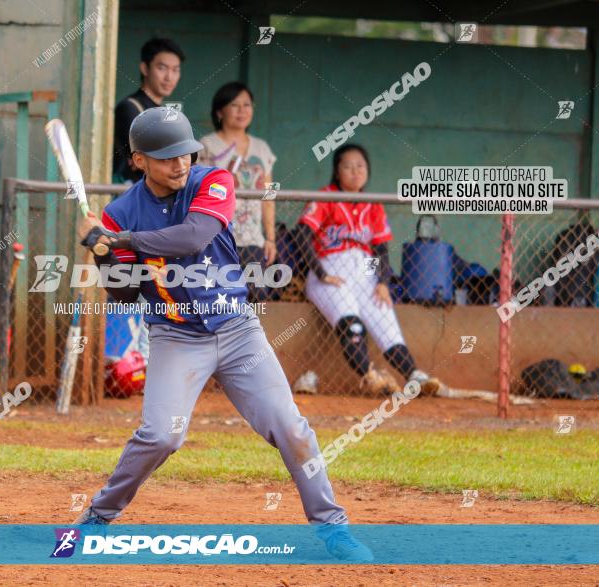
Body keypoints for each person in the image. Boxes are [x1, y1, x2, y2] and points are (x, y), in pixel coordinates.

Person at [73, 107, 373, 562]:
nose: (180, 164)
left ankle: (334, 530)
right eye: (167, 157)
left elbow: (194, 236)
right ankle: (98, 515)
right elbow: (125, 294)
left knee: (290, 427)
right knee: (160, 436)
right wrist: (101, 252)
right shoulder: (119, 214)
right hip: (175, 337)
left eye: (186, 154)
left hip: (238, 331)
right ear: (138, 160)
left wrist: (120, 240)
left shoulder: (212, 181)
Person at [292, 144, 445, 396]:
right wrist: (321, 273)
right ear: (337, 171)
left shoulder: (373, 204)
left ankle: (413, 375)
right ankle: (370, 377)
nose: (355, 171)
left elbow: (381, 250)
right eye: (348, 166)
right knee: (351, 324)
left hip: (365, 268)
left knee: (384, 320)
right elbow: (302, 235)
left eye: (360, 166)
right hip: (331, 267)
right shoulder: (326, 196)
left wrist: (383, 282)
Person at [197, 82, 277, 301]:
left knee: (255, 296)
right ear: (219, 111)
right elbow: (200, 191)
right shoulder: (207, 145)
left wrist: (270, 238)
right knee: (218, 295)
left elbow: (269, 195)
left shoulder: (262, 149)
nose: (242, 110)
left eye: (247, 105)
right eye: (235, 105)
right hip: (218, 236)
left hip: (253, 238)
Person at [112, 38, 185, 184]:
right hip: (132, 194)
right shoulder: (129, 107)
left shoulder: (165, 112)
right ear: (145, 68)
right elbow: (151, 154)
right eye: (162, 68)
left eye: (175, 70)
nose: (169, 77)